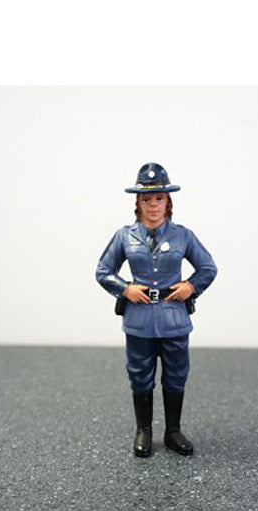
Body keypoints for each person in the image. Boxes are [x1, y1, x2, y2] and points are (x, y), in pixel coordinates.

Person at [95, 163, 218, 457]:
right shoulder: (125, 236)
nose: (153, 205)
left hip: (173, 318)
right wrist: (125, 288)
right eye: (147, 199)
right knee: (140, 375)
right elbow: (103, 270)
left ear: (168, 202)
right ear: (137, 203)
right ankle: (144, 430)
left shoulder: (182, 236)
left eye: (159, 198)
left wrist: (191, 286)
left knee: (176, 375)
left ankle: (173, 431)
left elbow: (208, 267)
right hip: (139, 320)